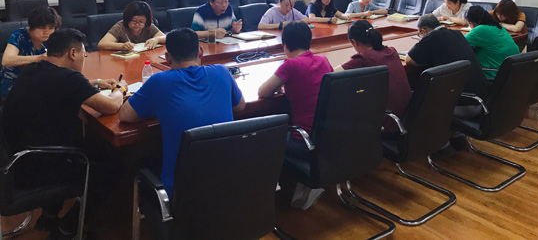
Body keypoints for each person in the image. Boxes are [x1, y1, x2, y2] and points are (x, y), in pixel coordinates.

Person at [2, 29, 125, 239]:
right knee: (111, 169)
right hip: (37, 166)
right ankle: (67, 229)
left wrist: (95, 84)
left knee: (86, 142)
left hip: (15, 159)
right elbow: (111, 106)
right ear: (72, 53)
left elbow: (60, 87)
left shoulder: (33, 69)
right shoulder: (69, 78)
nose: (84, 60)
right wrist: (120, 89)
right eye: (84, 55)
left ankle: (49, 215)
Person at [119, 28, 245, 198]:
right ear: (201, 52)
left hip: (183, 192)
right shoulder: (222, 72)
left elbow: (125, 116)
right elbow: (240, 106)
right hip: (228, 183)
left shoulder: (159, 82)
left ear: (168, 57)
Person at [258, 22, 333, 210]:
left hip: (304, 141)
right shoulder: (323, 60)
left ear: (285, 45)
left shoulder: (290, 65)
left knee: (263, 139)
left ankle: (266, 198)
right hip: (328, 137)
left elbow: (263, 92)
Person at [338, 20, 411, 131]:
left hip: (388, 123)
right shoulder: (392, 51)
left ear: (354, 42)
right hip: (408, 117)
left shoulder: (363, 58)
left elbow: (331, 74)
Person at [406, 14, 488, 98]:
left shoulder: (432, 36)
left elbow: (408, 60)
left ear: (423, 31)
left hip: (463, 97)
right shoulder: (457, 33)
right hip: (480, 93)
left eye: (419, 34)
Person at [0, 6, 61, 99]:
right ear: (32, 26)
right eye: (42, 28)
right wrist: (39, 58)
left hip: (38, 81)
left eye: (51, 28)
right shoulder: (19, 36)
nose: (47, 32)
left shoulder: (51, 37)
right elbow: (6, 61)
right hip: (14, 85)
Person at [464, 5, 520, 80]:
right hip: (512, 75)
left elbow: (459, 43)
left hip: (494, 75)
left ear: (471, 23)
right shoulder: (498, 27)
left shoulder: (480, 30)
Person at [97, 1, 166, 51]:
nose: (137, 24)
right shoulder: (120, 26)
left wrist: (157, 39)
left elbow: (166, 37)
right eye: (134, 21)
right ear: (127, 18)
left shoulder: (148, 26)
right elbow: (102, 44)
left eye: (141, 21)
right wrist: (122, 46)